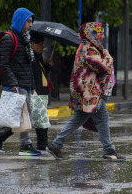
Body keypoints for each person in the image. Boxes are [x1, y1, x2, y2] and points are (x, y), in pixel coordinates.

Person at [46, 22, 126, 161]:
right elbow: (101, 66)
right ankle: (109, 150)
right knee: (103, 119)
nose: (102, 35)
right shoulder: (88, 48)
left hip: (86, 91)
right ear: (91, 34)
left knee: (77, 120)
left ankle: (56, 145)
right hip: (89, 92)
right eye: (99, 32)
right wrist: (108, 57)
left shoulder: (88, 47)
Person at [0, 7, 41, 156]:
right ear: (20, 21)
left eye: (31, 22)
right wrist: (13, 83)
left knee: (22, 115)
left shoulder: (25, 39)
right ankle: (24, 145)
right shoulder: (9, 38)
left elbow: (28, 65)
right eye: (28, 21)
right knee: (22, 114)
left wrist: (33, 85)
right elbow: (3, 63)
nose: (30, 25)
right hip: (15, 84)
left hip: (25, 84)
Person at [30, 30, 54, 151]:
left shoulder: (38, 57)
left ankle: (42, 144)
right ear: (33, 44)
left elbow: (41, 73)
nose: (42, 47)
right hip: (36, 92)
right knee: (41, 119)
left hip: (42, 92)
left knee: (42, 119)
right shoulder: (31, 58)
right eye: (40, 44)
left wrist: (47, 66)